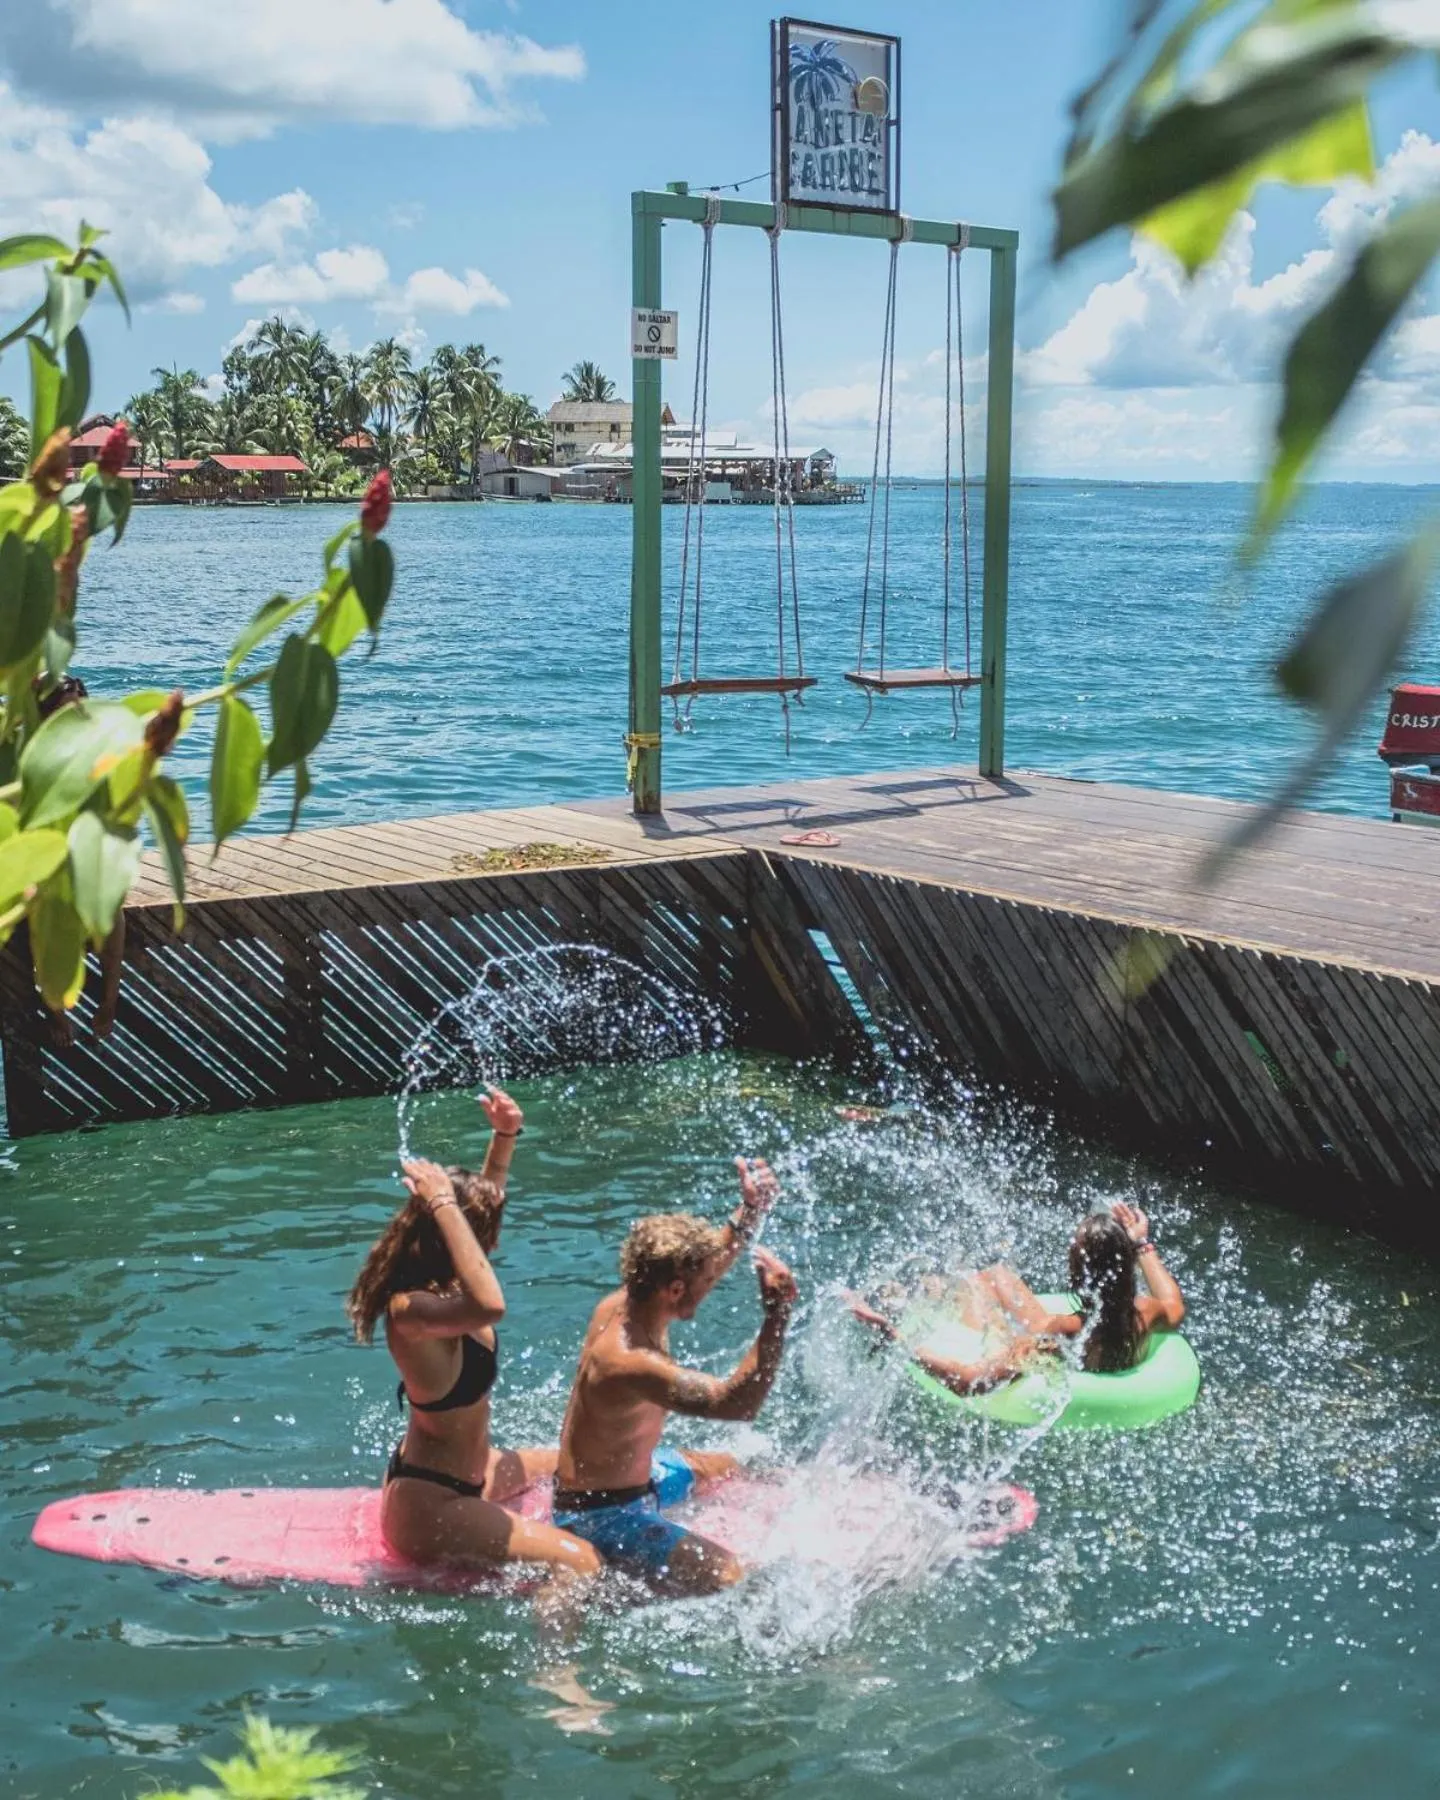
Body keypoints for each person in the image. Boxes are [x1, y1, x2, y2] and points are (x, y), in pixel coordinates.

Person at [346, 1086, 600, 1590]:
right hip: (431, 1505)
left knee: (581, 1462)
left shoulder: (449, 1287)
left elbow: (484, 1211)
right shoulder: (410, 1310)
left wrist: (504, 1137)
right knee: (582, 1562)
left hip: (474, 1473)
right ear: (449, 1233)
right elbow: (493, 1305)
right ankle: (555, 1671)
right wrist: (441, 1200)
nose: (494, 1241)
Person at [552, 1157, 798, 1596]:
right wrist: (776, 1315)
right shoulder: (628, 1361)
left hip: (639, 1478)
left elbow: (704, 1260)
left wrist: (750, 1210)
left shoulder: (636, 1298)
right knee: (735, 1581)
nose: (715, 1280)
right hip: (602, 1515)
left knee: (732, 1464)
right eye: (706, 1280)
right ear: (676, 1290)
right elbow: (737, 1404)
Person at [846, 1200, 1185, 1395]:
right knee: (997, 1275)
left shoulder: (1059, 1334)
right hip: (1093, 1361)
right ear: (1127, 1266)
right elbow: (1175, 1305)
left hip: (1015, 1357)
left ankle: (908, 1300)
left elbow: (968, 1382)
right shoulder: (1144, 1314)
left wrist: (896, 1338)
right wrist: (1142, 1243)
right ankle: (929, 1290)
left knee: (975, 1283)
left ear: (1077, 1273)